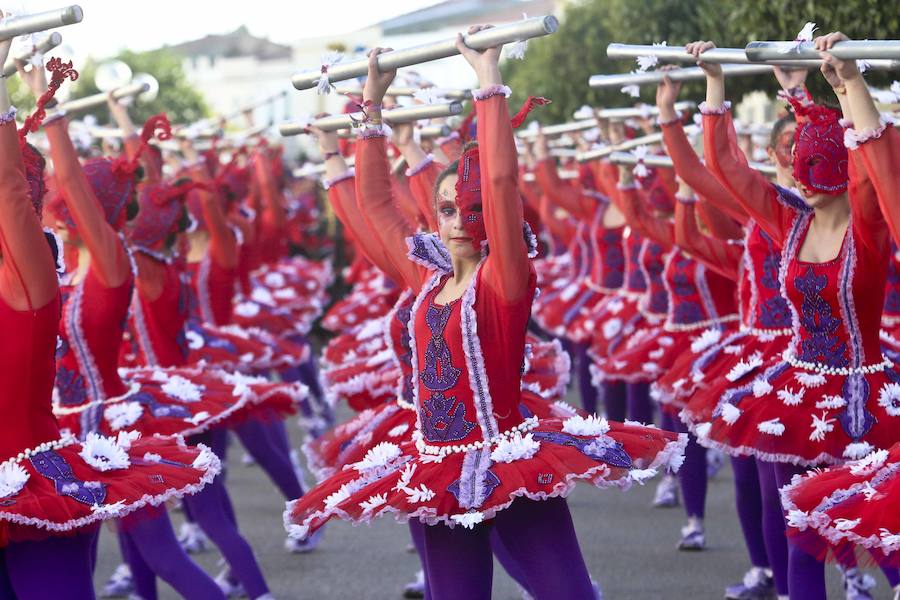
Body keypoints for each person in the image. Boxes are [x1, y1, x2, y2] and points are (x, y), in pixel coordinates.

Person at [285, 26, 686, 600]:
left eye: (466, 209)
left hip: (510, 463)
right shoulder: (424, 277)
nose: (453, 221)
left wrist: (488, 82)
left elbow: (499, 181)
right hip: (436, 468)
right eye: (444, 209)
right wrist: (369, 107)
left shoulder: (505, 282)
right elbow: (374, 202)